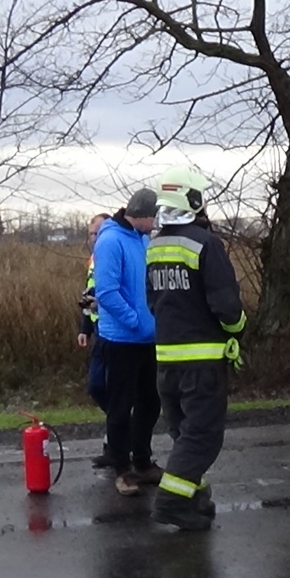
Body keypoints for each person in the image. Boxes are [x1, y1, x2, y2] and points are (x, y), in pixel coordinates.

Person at [146, 166, 245, 531]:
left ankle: (195, 497)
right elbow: (226, 306)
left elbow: (153, 300)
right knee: (202, 437)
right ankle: (171, 504)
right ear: (194, 200)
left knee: (185, 433)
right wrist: (238, 330)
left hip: (166, 360)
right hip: (202, 362)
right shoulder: (206, 244)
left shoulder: (156, 245)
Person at [93, 188, 163, 496]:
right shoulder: (110, 241)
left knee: (151, 402)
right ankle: (122, 468)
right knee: (121, 406)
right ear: (143, 214)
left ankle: (143, 460)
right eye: (155, 216)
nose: (156, 222)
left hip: (149, 338)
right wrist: (136, 321)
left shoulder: (143, 240)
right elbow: (106, 292)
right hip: (121, 339)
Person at [79, 212, 115, 469]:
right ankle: (121, 432)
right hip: (99, 330)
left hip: (115, 333)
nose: (94, 238)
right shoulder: (94, 259)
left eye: (98, 233)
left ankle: (115, 445)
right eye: (91, 233)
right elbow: (90, 294)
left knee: (115, 391)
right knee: (96, 387)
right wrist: (85, 328)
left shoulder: (113, 253)